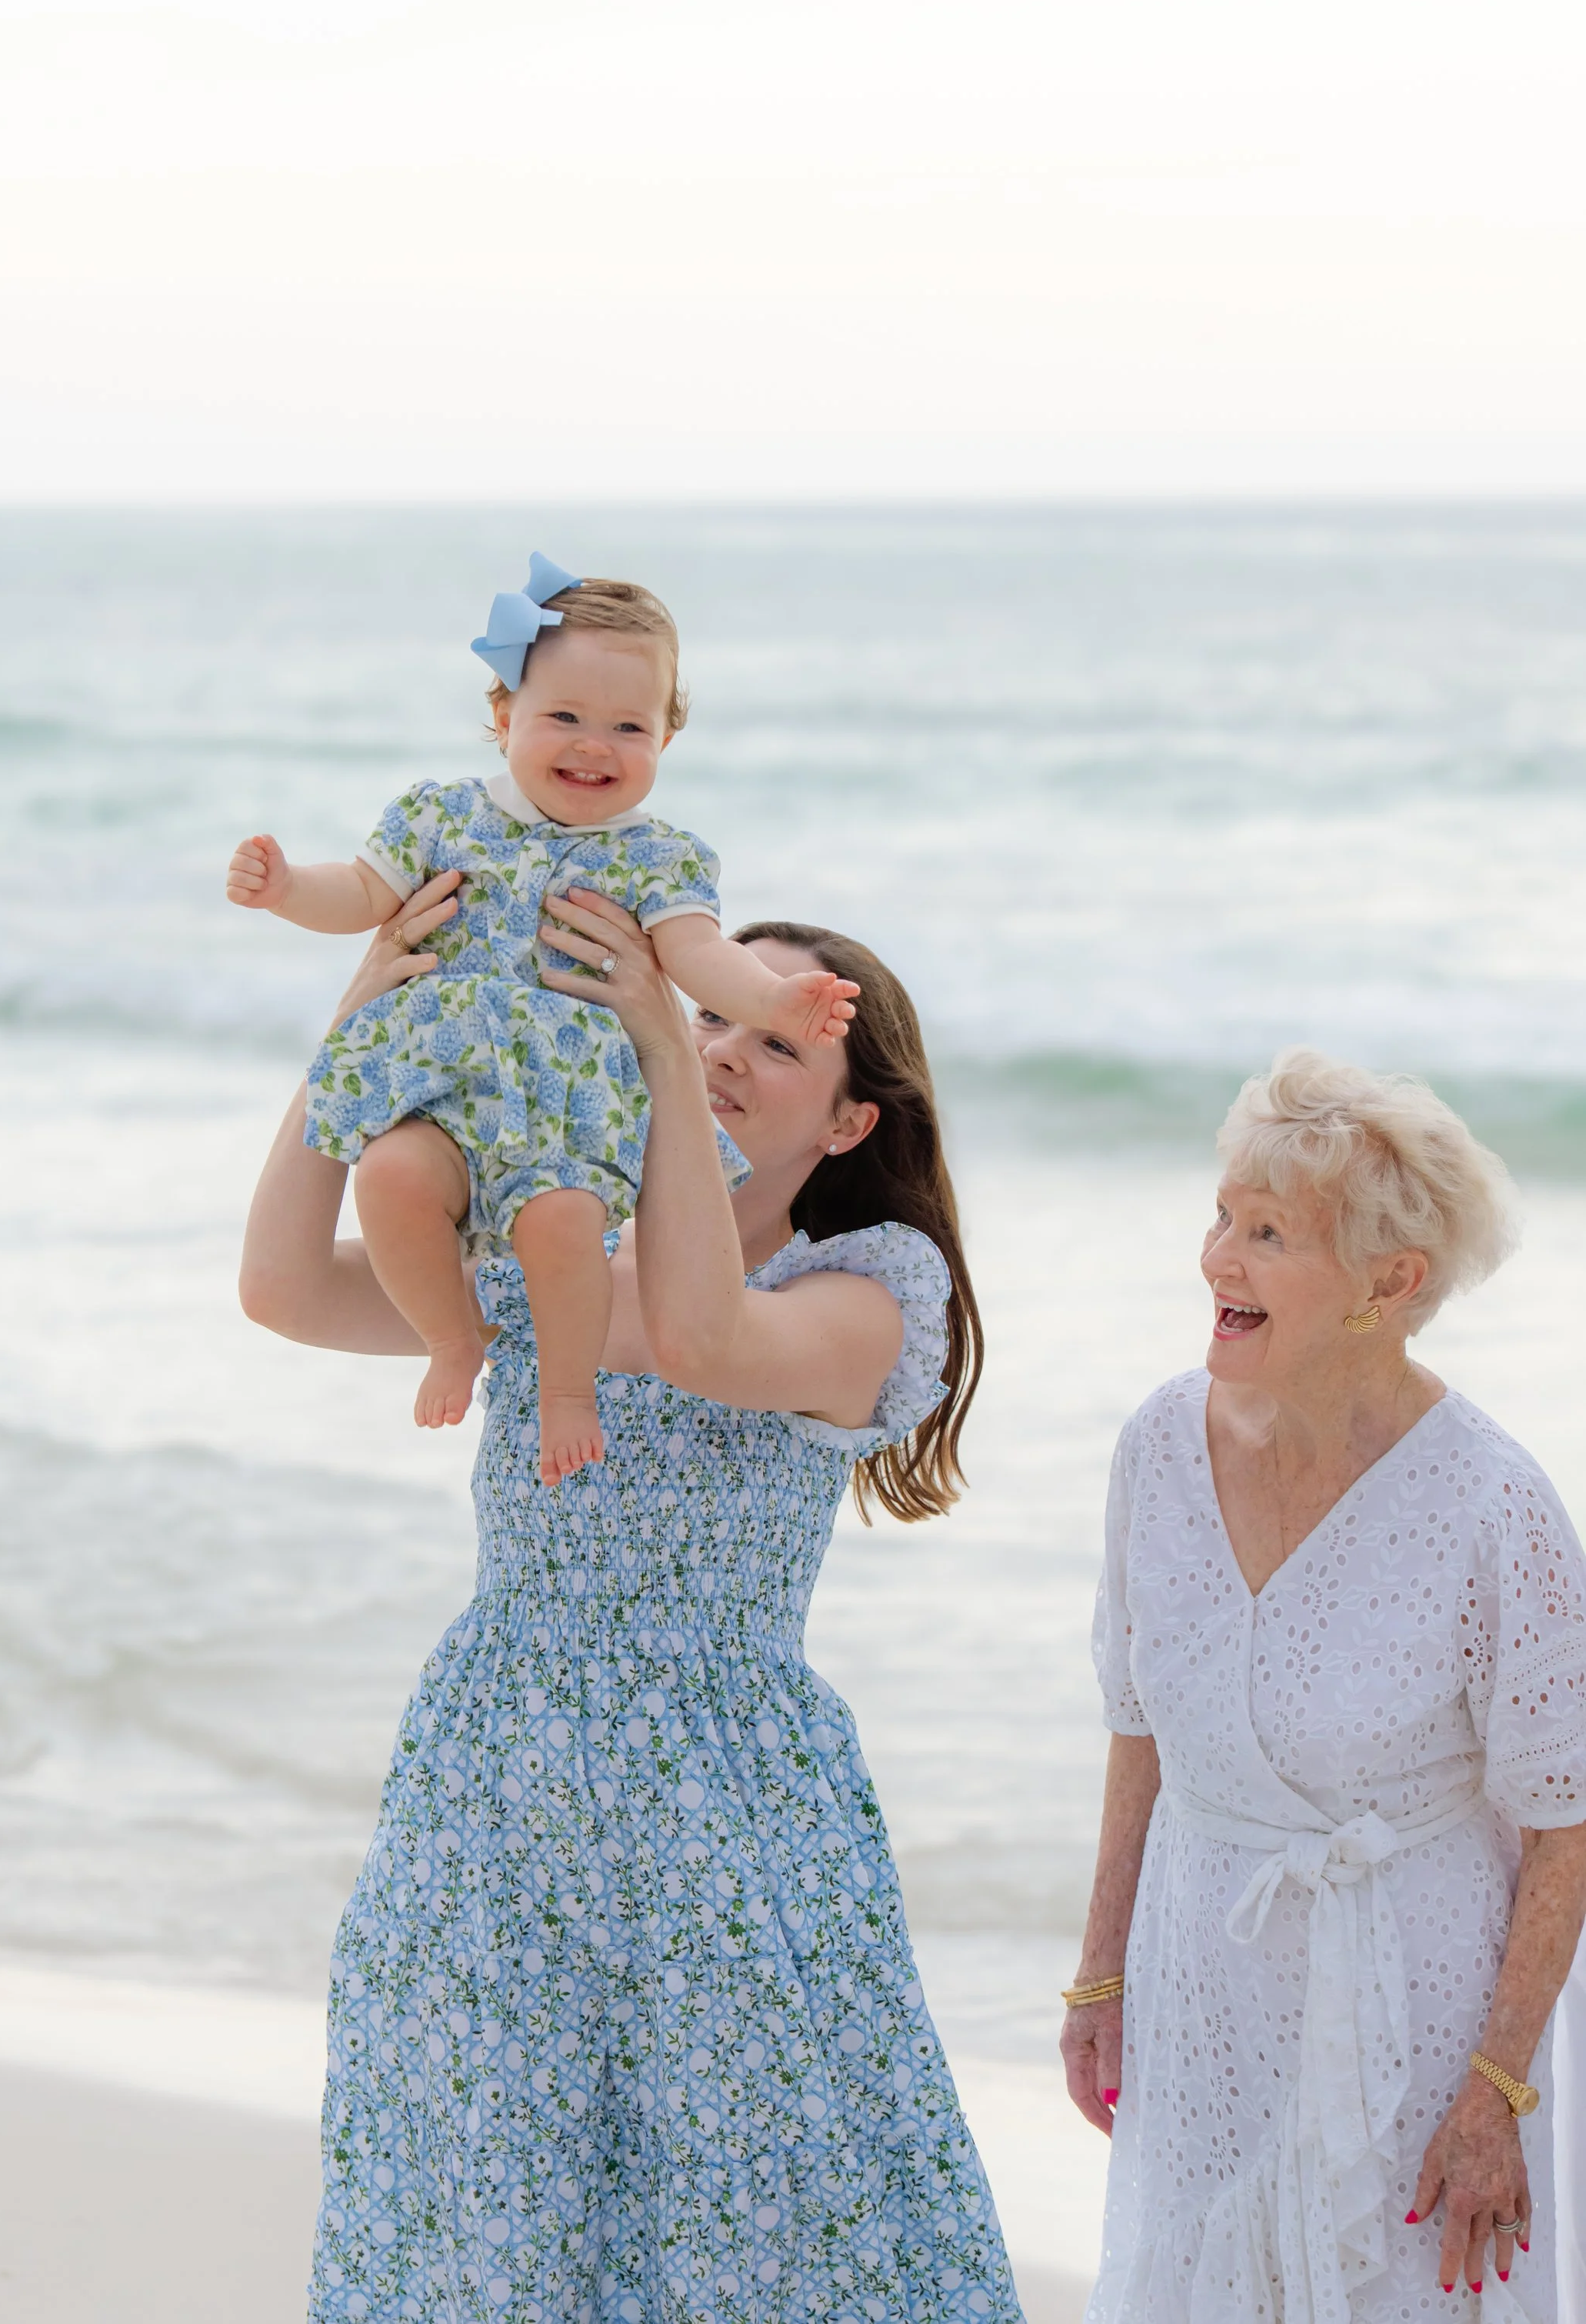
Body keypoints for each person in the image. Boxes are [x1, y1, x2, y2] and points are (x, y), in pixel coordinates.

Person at [240, 873, 1021, 2323]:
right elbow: (283, 1286)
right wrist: (360, 1021)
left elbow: (705, 1332)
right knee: (483, 2183)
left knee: (749, 2202)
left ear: (852, 1121)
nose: (727, 1047)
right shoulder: (562, 1236)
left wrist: (661, 1047)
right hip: (497, 1759)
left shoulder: (872, 1283)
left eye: (772, 1043)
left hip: (722, 1789)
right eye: (719, 1018)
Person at [1064, 1049, 1586, 2322]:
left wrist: (1495, 2095)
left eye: (1268, 1234)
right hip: (1202, 1978)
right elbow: (1139, 1730)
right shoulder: (1157, 1442)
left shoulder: (1495, 1505)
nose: (1217, 1259)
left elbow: (1566, 1827)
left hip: (1415, 2011)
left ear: (1389, 1283)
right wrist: (1099, 1976)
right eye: (1222, 1217)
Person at [226, 554, 855, 1489]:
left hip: (562, 1119)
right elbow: (361, 891)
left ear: (666, 740)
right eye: (563, 715)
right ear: (502, 716)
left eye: (627, 725)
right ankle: (452, 1336)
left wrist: (771, 998)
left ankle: (566, 1391)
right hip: (443, 1096)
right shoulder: (439, 818)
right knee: (391, 1171)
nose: (593, 743)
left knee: (562, 1218)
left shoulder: (657, 858)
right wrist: (286, 893)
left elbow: (696, 955)